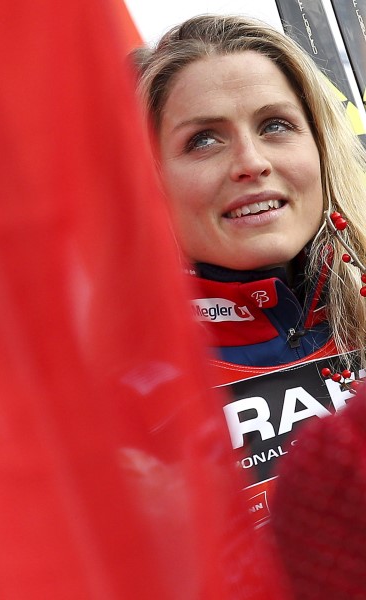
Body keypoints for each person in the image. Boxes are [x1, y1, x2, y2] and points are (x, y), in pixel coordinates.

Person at [134, 14, 366, 599]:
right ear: (148, 178)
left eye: (276, 126)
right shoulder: (113, 402)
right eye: (203, 139)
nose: (250, 161)